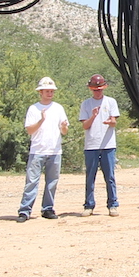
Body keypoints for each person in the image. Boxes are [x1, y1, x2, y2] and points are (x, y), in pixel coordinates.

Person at [18, 77, 69, 222]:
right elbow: (29, 130)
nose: (50, 93)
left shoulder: (58, 108)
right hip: (37, 151)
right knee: (32, 182)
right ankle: (25, 210)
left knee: (52, 182)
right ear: (40, 92)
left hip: (55, 151)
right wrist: (41, 120)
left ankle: (48, 208)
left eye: (52, 91)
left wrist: (64, 126)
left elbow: (64, 131)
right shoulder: (34, 109)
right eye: (47, 91)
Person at [79, 74, 121, 217]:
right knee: (90, 176)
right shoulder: (86, 104)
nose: (98, 91)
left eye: (100, 89)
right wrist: (93, 116)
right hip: (91, 145)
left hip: (108, 144)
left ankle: (113, 204)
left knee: (110, 176)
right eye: (95, 89)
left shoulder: (111, 102)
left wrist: (110, 122)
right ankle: (89, 205)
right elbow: (85, 125)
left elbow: (114, 121)